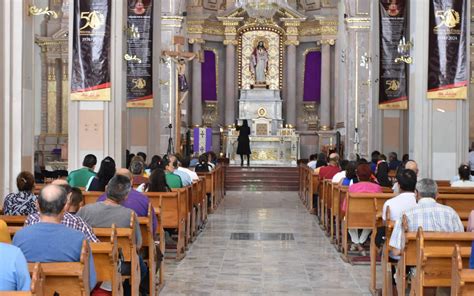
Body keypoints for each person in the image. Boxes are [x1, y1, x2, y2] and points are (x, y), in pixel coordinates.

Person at [13, 185, 97, 290]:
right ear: (65, 206)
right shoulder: (79, 238)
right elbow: (90, 281)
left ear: (37, 205)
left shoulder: (20, 236)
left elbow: (14, 279)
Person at [77, 174, 147, 295]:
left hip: (88, 261)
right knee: (141, 266)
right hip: (119, 264)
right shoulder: (129, 214)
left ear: (106, 189)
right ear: (125, 196)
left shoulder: (85, 210)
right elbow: (138, 245)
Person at [390, 178, 463, 256]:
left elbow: (396, 251)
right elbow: (461, 240)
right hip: (447, 261)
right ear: (437, 194)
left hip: (415, 262)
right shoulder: (450, 212)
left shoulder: (406, 214)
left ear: (416, 193)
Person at [97, 169, 158, 234]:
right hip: (139, 241)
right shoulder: (143, 199)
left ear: (114, 180)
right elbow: (153, 226)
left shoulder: (102, 198)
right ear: (131, 181)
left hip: (106, 241)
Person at [347, 164, 383, 255]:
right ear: (370, 175)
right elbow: (380, 207)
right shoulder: (377, 188)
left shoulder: (352, 188)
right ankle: (360, 243)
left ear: (358, 176)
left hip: (353, 217)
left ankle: (357, 244)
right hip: (370, 218)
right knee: (372, 220)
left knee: (347, 218)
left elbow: (345, 207)